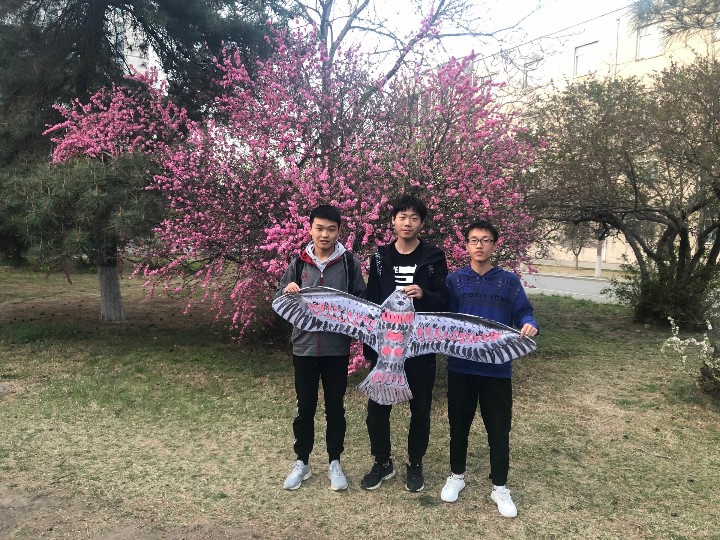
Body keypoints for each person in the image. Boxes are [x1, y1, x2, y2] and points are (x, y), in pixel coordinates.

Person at [439, 219, 539, 517]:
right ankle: (456, 476)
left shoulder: (508, 281)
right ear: (466, 245)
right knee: (458, 425)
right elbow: (445, 318)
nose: (479, 245)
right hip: (461, 367)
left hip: (497, 368)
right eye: (474, 240)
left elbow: (524, 311)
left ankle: (500, 487)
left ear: (494, 245)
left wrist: (529, 324)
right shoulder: (454, 281)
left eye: (485, 240)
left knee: (498, 430)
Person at [360, 194, 448, 493]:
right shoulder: (380, 257)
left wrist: (424, 295)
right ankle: (382, 462)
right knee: (377, 409)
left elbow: (444, 300)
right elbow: (372, 301)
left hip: (420, 348)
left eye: (414, 218)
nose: (407, 223)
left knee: (420, 411)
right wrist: (372, 349)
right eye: (402, 217)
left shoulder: (434, 257)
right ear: (393, 221)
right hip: (386, 349)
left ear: (421, 223)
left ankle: (415, 463)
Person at [277, 205, 366, 491]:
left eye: (331, 229)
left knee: (335, 409)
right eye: (319, 228)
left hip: (336, 349)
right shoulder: (299, 263)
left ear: (339, 232)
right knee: (305, 408)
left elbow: (360, 302)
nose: (324, 234)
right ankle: (302, 462)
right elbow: (279, 297)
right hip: (303, 348)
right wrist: (287, 291)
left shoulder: (349, 263)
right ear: (310, 229)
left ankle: (334, 461)